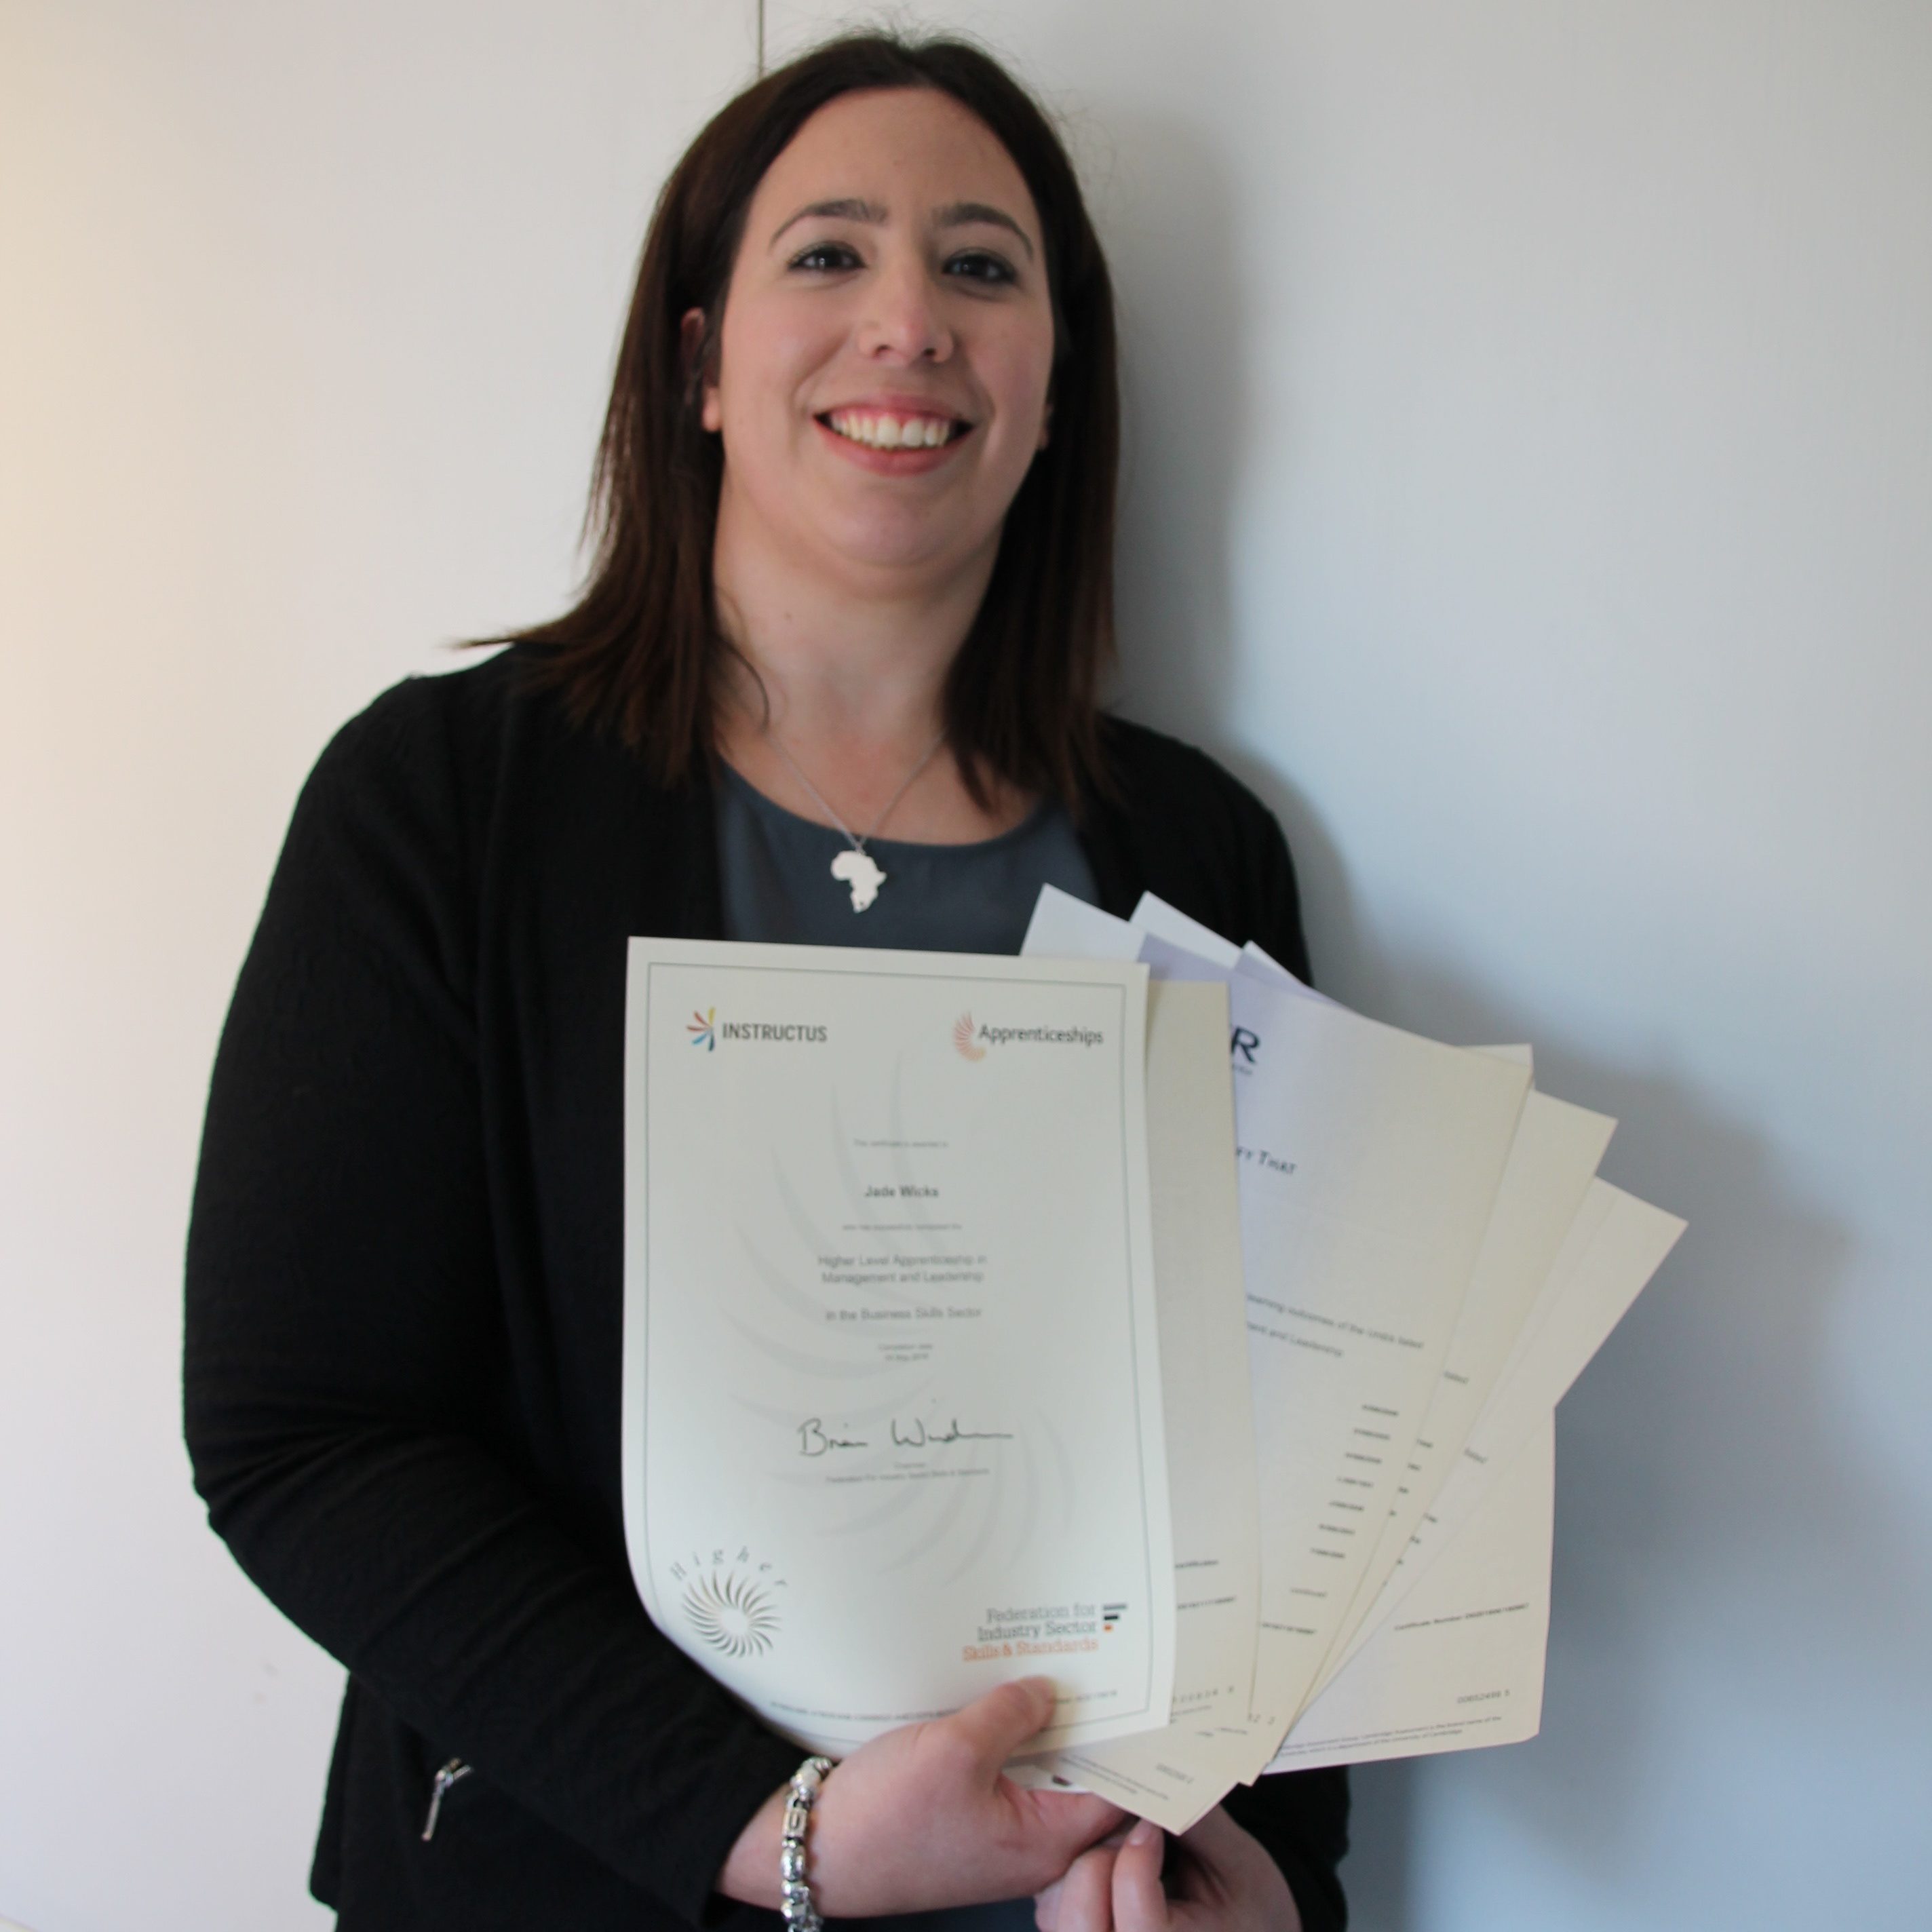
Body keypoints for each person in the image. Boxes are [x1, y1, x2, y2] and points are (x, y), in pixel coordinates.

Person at [184, 31, 1349, 1932]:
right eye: (829, 256)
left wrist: (1273, 1884)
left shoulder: (1201, 857)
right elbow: (301, 1432)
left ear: (1060, 390)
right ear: (700, 362)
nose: (910, 321)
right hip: (579, 1882)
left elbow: (1300, 1440)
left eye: (983, 266)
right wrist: (769, 1831)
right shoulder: (440, 804)